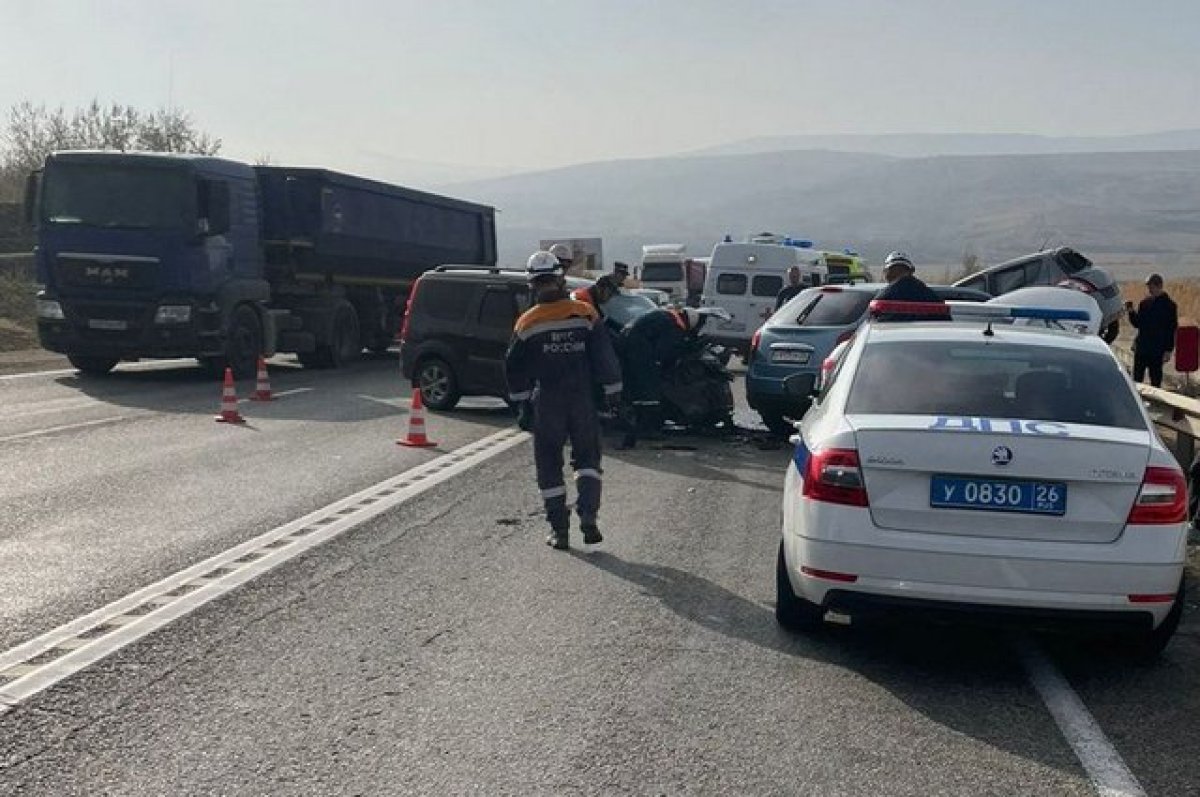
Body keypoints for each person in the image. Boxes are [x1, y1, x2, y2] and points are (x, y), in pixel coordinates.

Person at [506, 251, 623, 550]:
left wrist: (521, 404)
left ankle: (560, 531)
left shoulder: (527, 322)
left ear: (532, 285)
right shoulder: (585, 313)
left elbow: (514, 367)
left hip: (547, 401)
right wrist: (613, 393)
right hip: (582, 399)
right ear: (560, 278)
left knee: (548, 465)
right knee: (587, 459)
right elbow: (605, 358)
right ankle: (588, 515)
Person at [618, 306, 707, 448]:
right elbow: (663, 352)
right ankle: (646, 429)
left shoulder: (666, 315)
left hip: (627, 343)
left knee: (638, 388)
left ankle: (635, 425)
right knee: (649, 392)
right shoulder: (673, 325)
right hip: (639, 351)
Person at [1127, 273, 1178, 388]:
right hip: (1142, 347)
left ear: (1159, 286)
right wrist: (1131, 312)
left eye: (1151, 286)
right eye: (1148, 286)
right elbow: (1138, 324)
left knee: (1155, 380)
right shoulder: (1145, 303)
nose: (1149, 289)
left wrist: (1168, 350)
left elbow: (1171, 329)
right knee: (1136, 380)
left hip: (1157, 349)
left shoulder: (1169, 306)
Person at [873, 251, 944, 321]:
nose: (896, 273)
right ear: (912, 270)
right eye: (895, 270)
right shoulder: (933, 298)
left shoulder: (882, 298)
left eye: (900, 270)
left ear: (886, 273)